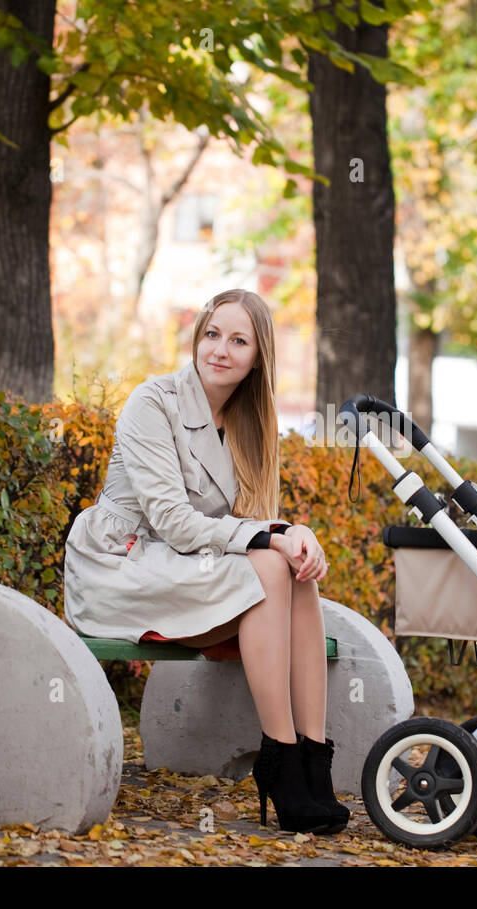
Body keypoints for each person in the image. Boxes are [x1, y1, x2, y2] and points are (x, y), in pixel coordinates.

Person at [63, 288, 347, 835]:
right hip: (124, 562)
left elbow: (257, 520)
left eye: (238, 340)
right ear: (198, 339)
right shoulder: (154, 402)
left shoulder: (250, 424)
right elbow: (172, 521)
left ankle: (313, 764)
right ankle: (280, 762)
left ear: (258, 356)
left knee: (292, 570)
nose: (220, 349)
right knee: (269, 561)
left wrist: (297, 534)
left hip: (184, 566)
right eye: (212, 334)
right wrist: (277, 538)